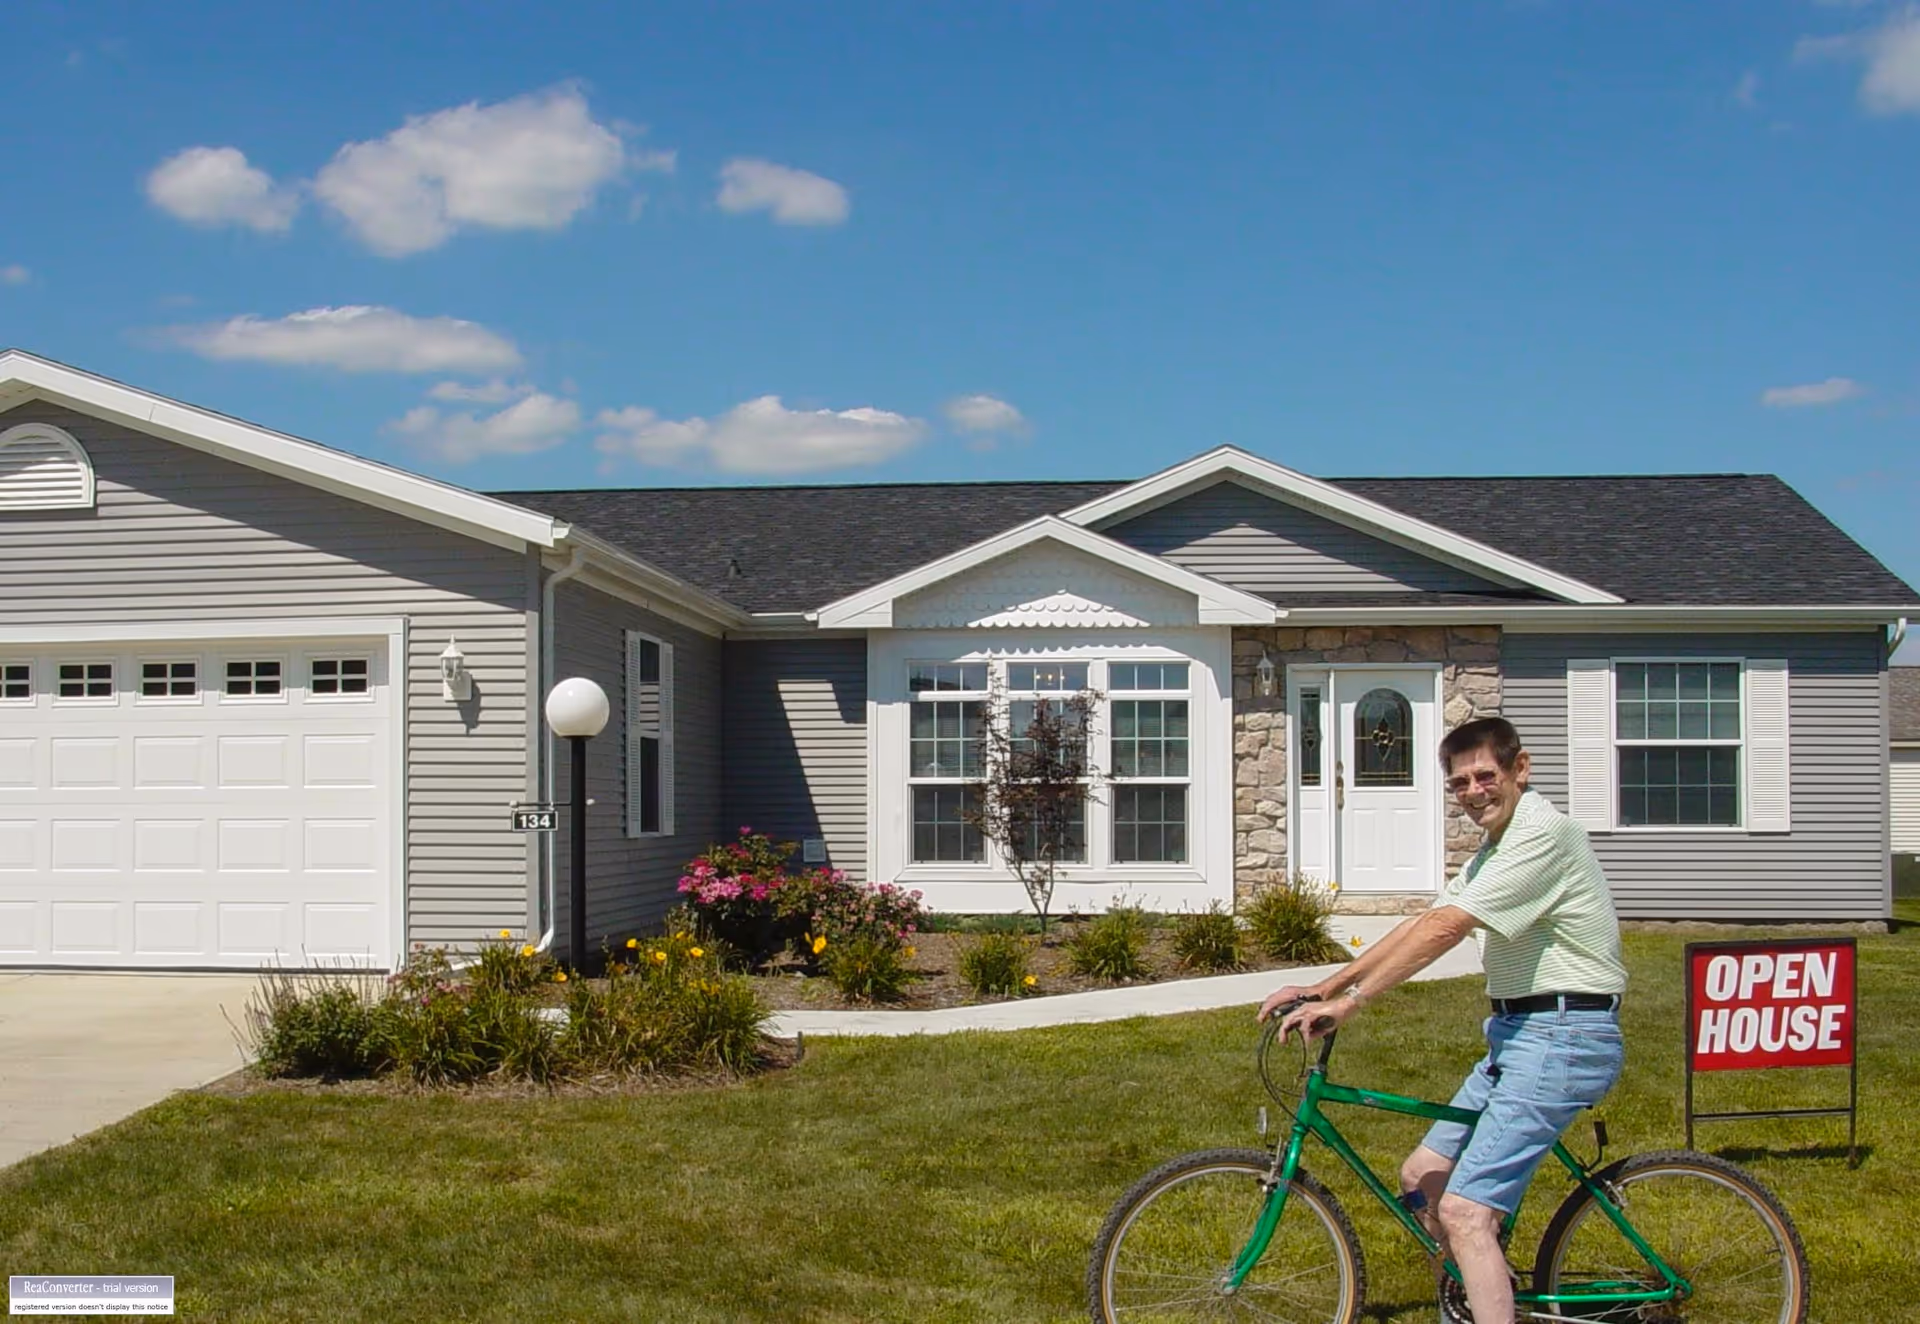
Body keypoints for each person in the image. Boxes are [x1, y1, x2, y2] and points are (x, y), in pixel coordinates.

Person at [1258, 716, 1627, 1324]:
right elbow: (1425, 921)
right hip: (1520, 1034)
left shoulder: (1542, 835)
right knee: (1423, 1175)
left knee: (1464, 1212)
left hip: (1564, 1036)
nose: (1473, 791)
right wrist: (1325, 986)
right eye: (1459, 783)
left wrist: (1351, 1003)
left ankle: (1487, 1280)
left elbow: (1447, 928)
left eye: (1485, 776)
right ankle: (1483, 1294)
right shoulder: (1496, 848)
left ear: (1520, 769)